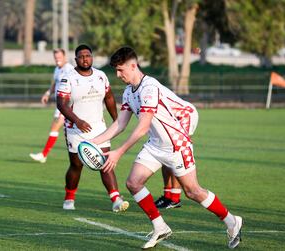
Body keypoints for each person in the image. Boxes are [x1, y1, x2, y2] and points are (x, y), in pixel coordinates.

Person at [91, 47, 243, 249]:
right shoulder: (129, 92)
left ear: (133, 66)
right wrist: (95, 141)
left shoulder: (149, 88)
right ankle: (160, 226)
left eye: (121, 70)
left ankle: (232, 221)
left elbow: (143, 126)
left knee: (193, 191)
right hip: (156, 145)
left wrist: (119, 152)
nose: (118, 75)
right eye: (116, 71)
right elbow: (120, 124)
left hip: (176, 145)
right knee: (133, 183)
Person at [56, 44, 129, 212]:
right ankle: (69, 197)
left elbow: (109, 98)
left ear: (92, 57)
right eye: (81, 56)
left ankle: (116, 199)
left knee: (105, 162)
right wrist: (78, 121)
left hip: (99, 128)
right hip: (75, 130)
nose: (85, 59)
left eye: (88, 56)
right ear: (76, 59)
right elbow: (61, 104)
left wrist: (117, 120)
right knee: (76, 166)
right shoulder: (68, 78)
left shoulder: (101, 76)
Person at [30, 48, 74, 163]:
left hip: (65, 104)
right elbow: (55, 84)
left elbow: (73, 86)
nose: (57, 59)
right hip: (60, 105)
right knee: (67, 130)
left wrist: (67, 106)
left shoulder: (69, 69)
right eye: (56, 58)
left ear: (64, 57)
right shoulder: (57, 69)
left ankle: (44, 155)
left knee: (56, 128)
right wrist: (48, 93)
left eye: (59, 57)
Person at [155, 101, 198, 209]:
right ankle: (167, 195)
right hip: (167, 119)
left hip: (184, 115)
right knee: (164, 155)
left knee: (175, 155)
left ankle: (174, 199)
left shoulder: (148, 89)